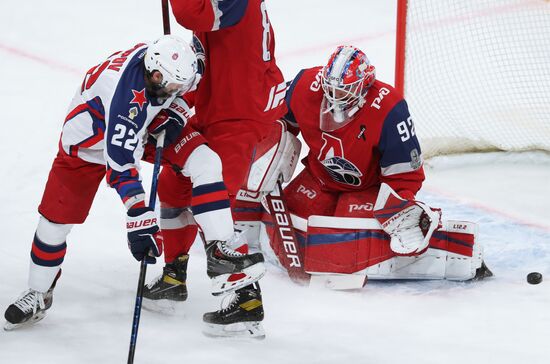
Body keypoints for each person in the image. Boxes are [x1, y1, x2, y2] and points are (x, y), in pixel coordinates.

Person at [3, 35, 265, 331]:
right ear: (154, 75)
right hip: (89, 146)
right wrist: (139, 213)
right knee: (54, 223)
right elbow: (120, 163)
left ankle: (219, 251)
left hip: (143, 128)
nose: (175, 91)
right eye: (170, 88)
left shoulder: (174, 68)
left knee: (206, 161)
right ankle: (37, 291)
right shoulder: (124, 95)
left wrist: (175, 110)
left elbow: (196, 66)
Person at [262, 45, 492, 286]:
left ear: (364, 85)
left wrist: (399, 207)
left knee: (345, 239)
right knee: (284, 218)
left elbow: (405, 174)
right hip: (319, 177)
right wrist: (270, 153)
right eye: (329, 88)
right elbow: (276, 123)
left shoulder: (389, 108)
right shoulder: (303, 85)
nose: (333, 96)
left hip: (367, 189)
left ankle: (441, 244)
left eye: (343, 90)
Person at [142, 0, 290, 338]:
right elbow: (207, 56)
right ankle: (173, 275)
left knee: (215, 200)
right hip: (218, 106)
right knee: (173, 183)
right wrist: (182, 100)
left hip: (240, 113)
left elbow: (190, 13)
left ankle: (246, 301)